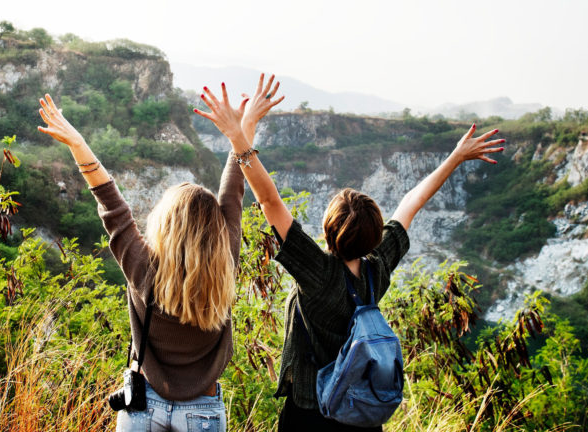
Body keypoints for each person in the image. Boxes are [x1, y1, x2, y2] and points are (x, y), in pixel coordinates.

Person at [194, 75, 505, 431]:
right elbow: (412, 203)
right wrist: (455, 158)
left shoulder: (319, 273)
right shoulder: (378, 269)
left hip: (311, 410)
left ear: (328, 228)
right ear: (374, 237)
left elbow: (268, 200)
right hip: (361, 412)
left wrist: (238, 135)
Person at [37, 93, 251, 432]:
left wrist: (77, 143)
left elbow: (110, 203)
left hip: (142, 407)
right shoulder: (225, 260)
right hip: (203, 414)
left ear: (164, 223)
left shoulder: (142, 268)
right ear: (217, 232)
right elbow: (233, 194)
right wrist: (242, 131)